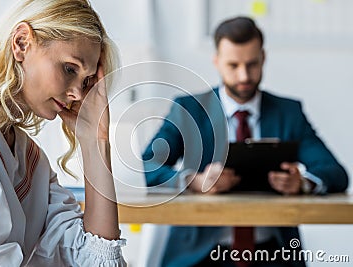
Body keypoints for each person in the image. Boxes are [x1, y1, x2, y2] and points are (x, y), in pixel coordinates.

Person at [142, 16, 348, 267]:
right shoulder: (188, 110)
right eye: (233, 65)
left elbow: (335, 173)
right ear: (216, 62)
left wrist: (302, 183)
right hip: (200, 256)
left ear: (263, 58)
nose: (244, 75)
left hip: (273, 254)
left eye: (252, 64)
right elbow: (147, 167)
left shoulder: (288, 112)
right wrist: (193, 181)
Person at [0, 0, 126, 266]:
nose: (77, 94)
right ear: (22, 43)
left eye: (86, 81)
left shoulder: (31, 160)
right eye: (70, 68)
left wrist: (95, 141)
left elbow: (96, 261)